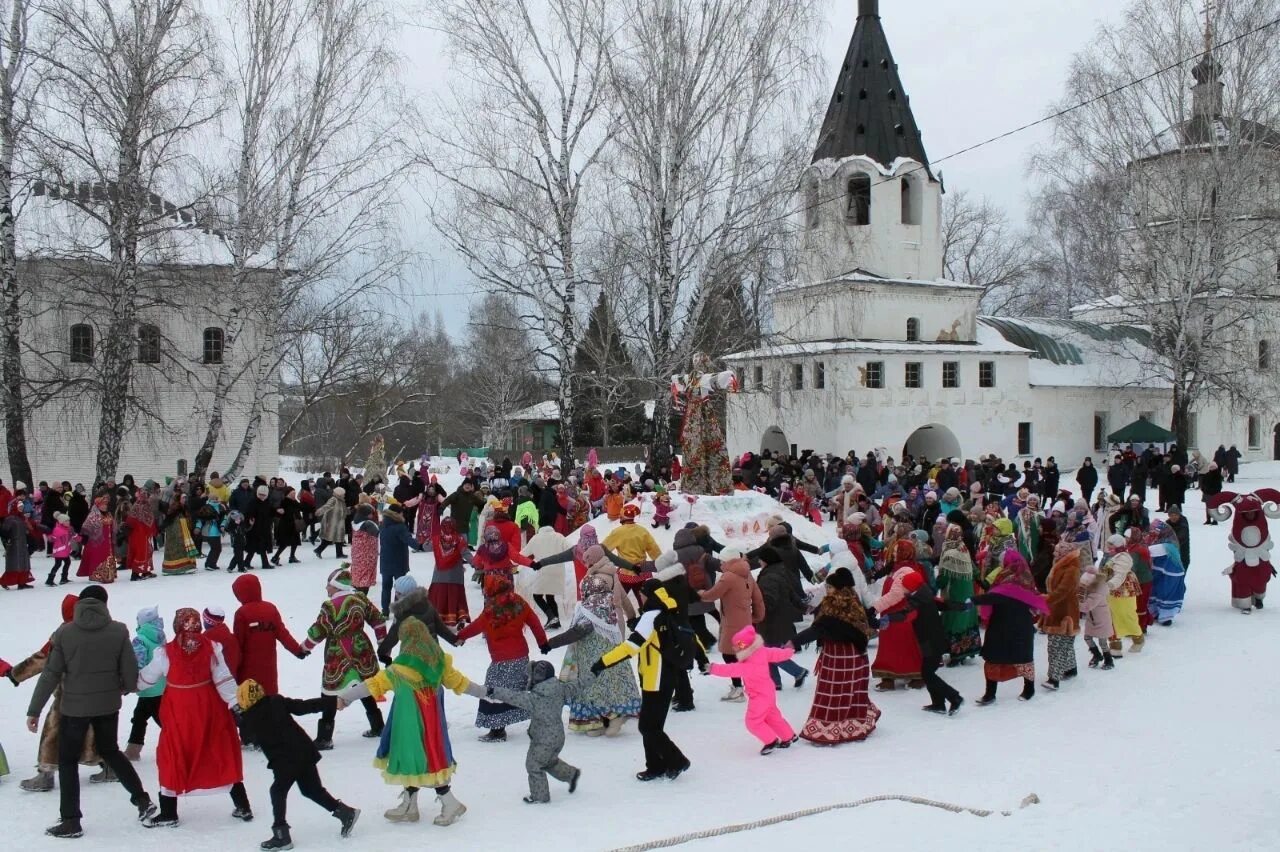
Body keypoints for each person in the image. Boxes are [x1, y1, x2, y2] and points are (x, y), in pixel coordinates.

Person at [25, 586, 159, 838]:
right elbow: (129, 670)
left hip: (74, 709)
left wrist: (34, 710)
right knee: (111, 752)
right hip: (108, 705)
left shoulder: (65, 633)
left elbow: (51, 674)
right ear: (104, 604)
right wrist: (126, 687)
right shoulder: (118, 630)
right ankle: (142, 801)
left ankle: (71, 820)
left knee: (66, 761)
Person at [336, 617, 473, 827]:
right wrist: (487, 693)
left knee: (421, 761)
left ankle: (450, 803)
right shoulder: (438, 662)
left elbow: (371, 686)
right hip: (431, 726)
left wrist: (344, 697)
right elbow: (461, 683)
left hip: (408, 725)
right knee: (422, 761)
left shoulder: (398, 670)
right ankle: (410, 806)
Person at [136, 608, 250, 828]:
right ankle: (243, 804)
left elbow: (147, 678)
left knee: (173, 754)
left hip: (179, 711)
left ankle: (169, 812)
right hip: (209, 708)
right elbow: (223, 678)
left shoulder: (165, 653)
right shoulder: (212, 648)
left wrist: (129, 684)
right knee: (219, 750)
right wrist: (237, 704)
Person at [234, 680, 360, 850]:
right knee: (311, 790)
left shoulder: (249, 718)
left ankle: (281, 835)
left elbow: (248, 736)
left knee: (277, 791)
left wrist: (237, 715)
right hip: (304, 752)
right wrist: (332, 702)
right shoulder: (276, 701)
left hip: (285, 761)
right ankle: (346, 813)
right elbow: (304, 706)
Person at [591, 579, 694, 781]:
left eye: (643, 592)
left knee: (647, 727)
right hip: (669, 675)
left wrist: (602, 662)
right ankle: (656, 766)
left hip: (655, 678)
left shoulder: (651, 616)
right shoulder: (671, 611)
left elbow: (632, 646)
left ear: (649, 595)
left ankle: (677, 760)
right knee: (653, 726)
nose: (641, 596)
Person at [9, 595, 108, 792]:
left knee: (53, 730)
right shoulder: (100, 627)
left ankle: (46, 773)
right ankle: (109, 766)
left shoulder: (63, 633)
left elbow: (42, 659)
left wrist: (16, 674)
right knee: (95, 729)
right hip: (97, 692)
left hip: (68, 693)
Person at [541, 545, 641, 736]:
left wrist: (550, 644)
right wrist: (632, 617)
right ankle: (606, 718)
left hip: (594, 654)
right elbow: (624, 602)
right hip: (614, 634)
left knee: (596, 683)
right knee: (612, 679)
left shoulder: (589, 608)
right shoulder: (608, 596)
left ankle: (611, 717)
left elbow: (578, 631)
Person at [469, 659, 586, 803]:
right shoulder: (560, 689)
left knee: (534, 765)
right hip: (558, 736)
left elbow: (512, 696)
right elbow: (579, 684)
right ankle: (571, 774)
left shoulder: (533, 698)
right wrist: (595, 671)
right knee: (548, 761)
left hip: (543, 740)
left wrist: (493, 691)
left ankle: (540, 797)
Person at [791, 568, 880, 745]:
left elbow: (819, 628)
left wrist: (794, 641)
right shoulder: (854, 599)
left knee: (833, 692)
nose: (828, 590)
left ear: (836, 588)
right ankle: (856, 723)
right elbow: (865, 623)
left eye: (829, 587)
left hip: (837, 655)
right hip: (857, 655)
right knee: (852, 690)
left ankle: (829, 728)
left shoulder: (832, 604)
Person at [455, 576, 548, 743]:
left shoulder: (491, 609)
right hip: (521, 657)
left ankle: (497, 731)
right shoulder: (519, 602)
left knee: (494, 693)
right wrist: (543, 643)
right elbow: (534, 622)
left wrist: (460, 637)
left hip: (501, 660)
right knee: (520, 690)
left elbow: (477, 625)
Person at [302, 569, 386, 749]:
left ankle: (325, 737)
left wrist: (304, 647)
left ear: (336, 586)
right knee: (364, 687)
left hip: (337, 652)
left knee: (330, 693)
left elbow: (319, 630)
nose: (326, 588)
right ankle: (378, 726)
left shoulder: (329, 606)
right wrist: (382, 643)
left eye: (328, 585)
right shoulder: (361, 599)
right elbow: (378, 620)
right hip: (361, 649)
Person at [881, 571, 964, 715]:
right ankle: (938, 703)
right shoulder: (925, 594)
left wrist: (887, 619)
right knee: (927, 672)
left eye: (904, 586)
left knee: (927, 673)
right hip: (933, 640)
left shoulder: (918, 600)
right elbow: (943, 604)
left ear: (911, 586)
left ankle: (954, 697)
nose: (903, 589)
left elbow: (905, 614)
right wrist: (962, 606)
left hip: (930, 641)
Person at [708, 625, 798, 754]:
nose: (735, 649)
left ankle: (771, 740)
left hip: (759, 696)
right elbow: (776, 652)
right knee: (772, 716)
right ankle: (788, 736)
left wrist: (713, 668)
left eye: (737, 646)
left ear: (744, 647)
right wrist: (788, 651)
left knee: (753, 722)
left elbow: (731, 669)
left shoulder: (748, 664)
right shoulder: (761, 651)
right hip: (768, 692)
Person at [973, 551, 1048, 705]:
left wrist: (972, 601)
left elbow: (995, 596)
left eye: (1003, 562)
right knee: (997, 657)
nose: (1001, 564)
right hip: (1011, 624)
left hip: (1008, 623)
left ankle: (1027, 689)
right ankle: (992, 692)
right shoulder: (1024, 578)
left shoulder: (1009, 579)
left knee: (1021, 658)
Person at [698, 547, 766, 702]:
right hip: (746, 621)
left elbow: (712, 595)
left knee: (729, 655)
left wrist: (700, 593)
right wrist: (757, 616)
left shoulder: (728, 577)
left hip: (732, 624)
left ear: (728, 561)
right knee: (742, 654)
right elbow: (758, 598)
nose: (720, 564)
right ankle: (749, 686)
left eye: (722, 561)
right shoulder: (747, 574)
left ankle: (738, 689)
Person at [231, 574, 307, 699]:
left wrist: (233, 663)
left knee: (250, 695)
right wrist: (297, 650)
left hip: (248, 665)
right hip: (269, 662)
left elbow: (239, 642)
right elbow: (283, 634)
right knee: (269, 690)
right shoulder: (270, 609)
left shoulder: (242, 613)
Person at [751, 545, 811, 691]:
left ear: (766, 560)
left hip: (771, 620)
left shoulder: (769, 577)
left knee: (769, 651)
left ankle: (798, 671)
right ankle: (774, 682)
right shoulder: (780, 571)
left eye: (760, 559)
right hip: (780, 618)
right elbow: (791, 593)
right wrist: (803, 607)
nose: (759, 562)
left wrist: (757, 613)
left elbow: (768, 601)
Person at [869, 540, 924, 691]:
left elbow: (895, 595)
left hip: (899, 615)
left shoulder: (905, 570)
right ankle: (895, 675)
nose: (893, 553)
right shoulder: (899, 567)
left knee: (899, 645)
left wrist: (874, 608)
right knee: (896, 645)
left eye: (896, 551)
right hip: (895, 613)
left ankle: (913, 675)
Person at [934, 525, 980, 666]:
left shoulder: (949, 554)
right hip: (967, 591)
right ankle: (969, 650)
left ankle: (957, 654)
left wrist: (935, 584)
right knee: (966, 619)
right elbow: (975, 571)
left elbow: (944, 579)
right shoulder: (963, 549)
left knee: (954, 621)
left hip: (954, 593)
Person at [124, 607, 166, 761]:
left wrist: (132, 681)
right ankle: (133, 750)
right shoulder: (160, 635)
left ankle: (183, 743)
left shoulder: (140, 639)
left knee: (157, 719)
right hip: (161, 686)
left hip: (148, 687)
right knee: (140, 717)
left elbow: (138, 663)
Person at [1042, 539, 1083, 690]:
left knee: (1056, 645)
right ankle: (1070, 669)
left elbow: (1063, 590)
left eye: (1058, 551)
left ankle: (1054, 678)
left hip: (1065, 612)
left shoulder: (1071, 569)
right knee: (1065, 643)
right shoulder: (1060, 564)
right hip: (1058, 609)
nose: (1054, 553)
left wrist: (1046, 599)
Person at [427, 517, 471, 628]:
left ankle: (436, 618)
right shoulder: (459, 540)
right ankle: (458, 618)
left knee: (438, 596)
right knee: (455, 596)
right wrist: (477, 564)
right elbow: (466, 553)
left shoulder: (436, 539)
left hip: (439, 576)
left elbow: (425, 546)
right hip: (455, 576)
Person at [378, 507, 422, 613]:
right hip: (399, 561)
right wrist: (420, 546)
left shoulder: (382, 525)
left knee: (386, 587)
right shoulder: (400, 527)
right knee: (400, 587)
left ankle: (385, 611)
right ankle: (397, 610)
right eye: (402, 513)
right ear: (397, 514)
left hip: (385, 560)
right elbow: (408, 539)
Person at [1148, 518, 1188, 627]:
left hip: (1171, 574)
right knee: (1156, 591)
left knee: (1166, 593)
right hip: (1161, 572)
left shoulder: (1167, 545)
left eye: (1155, 531)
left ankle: (1166, 617)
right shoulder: (1160, 540)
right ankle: (1155, 612)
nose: (1152, 533)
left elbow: (1150, 551)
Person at [0, 505, 35, 589]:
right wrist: (8, 541)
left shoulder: (21, 517)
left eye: (22, 507)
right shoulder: (10, 518)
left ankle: (22, 582)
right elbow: (4, 531)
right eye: (19, 507)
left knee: (23, 564)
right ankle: (4, 581)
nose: (21, 508)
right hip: (14, 544)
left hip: (22, 543)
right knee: (15, 565)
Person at [349, 504, 380, 594]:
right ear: (366, 514)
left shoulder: (355, 522)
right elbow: (378, 533)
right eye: (370, 513)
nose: (372, 515)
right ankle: (362, 598)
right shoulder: (368, 524)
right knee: (366, 576)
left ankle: (356, 591)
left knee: (358, 572)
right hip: (368, 554)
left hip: (357, 552)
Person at [271, 487, 303, 565]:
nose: (293, 495)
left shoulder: (294, 501)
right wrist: (279, 511)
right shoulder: (284, 501)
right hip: (286, 525)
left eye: (294, 493)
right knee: (284, 543)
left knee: (295, 542)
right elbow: (278, 511)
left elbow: (301, 508)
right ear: (287, 494)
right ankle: (275, 557)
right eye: (292, 494)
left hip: (294, 524)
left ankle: (292, 557)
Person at [314, 487, 347, 558]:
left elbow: (344, 511)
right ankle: (318, 550)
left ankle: (339, 554)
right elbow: (326, 506)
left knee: (339, 538)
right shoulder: (333, 499)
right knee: (329, 539)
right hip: (332, 522)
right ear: (339, 494)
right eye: (343, 494)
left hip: (339, 522)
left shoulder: (341, 501)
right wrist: (319, 512)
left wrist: (351, 509)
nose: (344, 495)